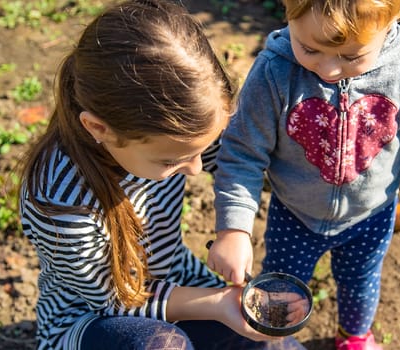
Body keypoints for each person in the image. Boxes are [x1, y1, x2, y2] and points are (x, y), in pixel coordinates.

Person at [17, 1, 307, 349]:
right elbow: (113, 300)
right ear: (99, 128)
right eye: (173, 162)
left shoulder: (173, 140)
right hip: (94, 320)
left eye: (202, 152)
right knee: (161, 345)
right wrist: (218, 305)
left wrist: (235, 230)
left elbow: (236, 161)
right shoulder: (59, 199)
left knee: (272, 345)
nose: (197, 168)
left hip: (175, 282)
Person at [207, 0, 400, 349]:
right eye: (309, 48)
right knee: (281, 288)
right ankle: (272, 340)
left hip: (371, 216)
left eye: (351, 57)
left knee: (361, 282)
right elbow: (242, 153)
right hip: (295, 214)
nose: (328, 69)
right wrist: (234, 229)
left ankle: (353, 337)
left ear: (393, 20)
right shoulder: (274, 71)